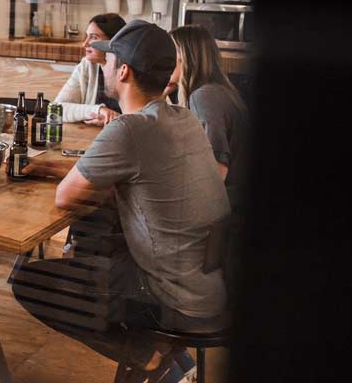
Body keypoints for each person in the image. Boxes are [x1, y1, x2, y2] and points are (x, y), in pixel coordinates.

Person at [14, 20, 230, 382]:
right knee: (101, 241)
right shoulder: (183, 118)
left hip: (172, 298)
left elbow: (65, 197)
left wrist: (56, 174)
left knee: (29, 281)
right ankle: (169, 361)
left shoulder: (129, 129)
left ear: (124, 71)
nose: (105, 65)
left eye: (111, 59)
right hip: (209, 285)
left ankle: (149, 356)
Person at [169, 25, 248, 210]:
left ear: (186, 58)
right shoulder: (216, 90)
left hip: (230, 207)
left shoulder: (205, 96)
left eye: (169, 54)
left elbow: (216, 170)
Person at [52, 13, 127, 126]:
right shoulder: (87, 66)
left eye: (93, 37)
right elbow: (56, 109)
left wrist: (114, 120)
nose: (85, 44)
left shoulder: (130, 70)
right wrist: (99, 110)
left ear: (113, 42)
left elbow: (142, 118)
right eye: (86, 36)